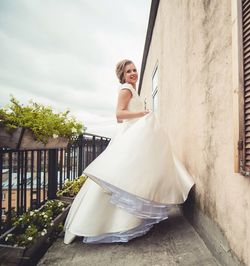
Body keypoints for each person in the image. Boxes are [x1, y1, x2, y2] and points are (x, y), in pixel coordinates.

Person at [63, 59, 195, 244]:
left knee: (133, 177)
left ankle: (130, 220)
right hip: (131, 135)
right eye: (128, 71)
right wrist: (142, 114)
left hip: (136, 135)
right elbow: (119, 115)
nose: (133, 73)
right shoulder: (126, 89)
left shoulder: (133, 89)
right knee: (124, 177)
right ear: (122, 75)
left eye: (134, 70)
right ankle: (103, 224)